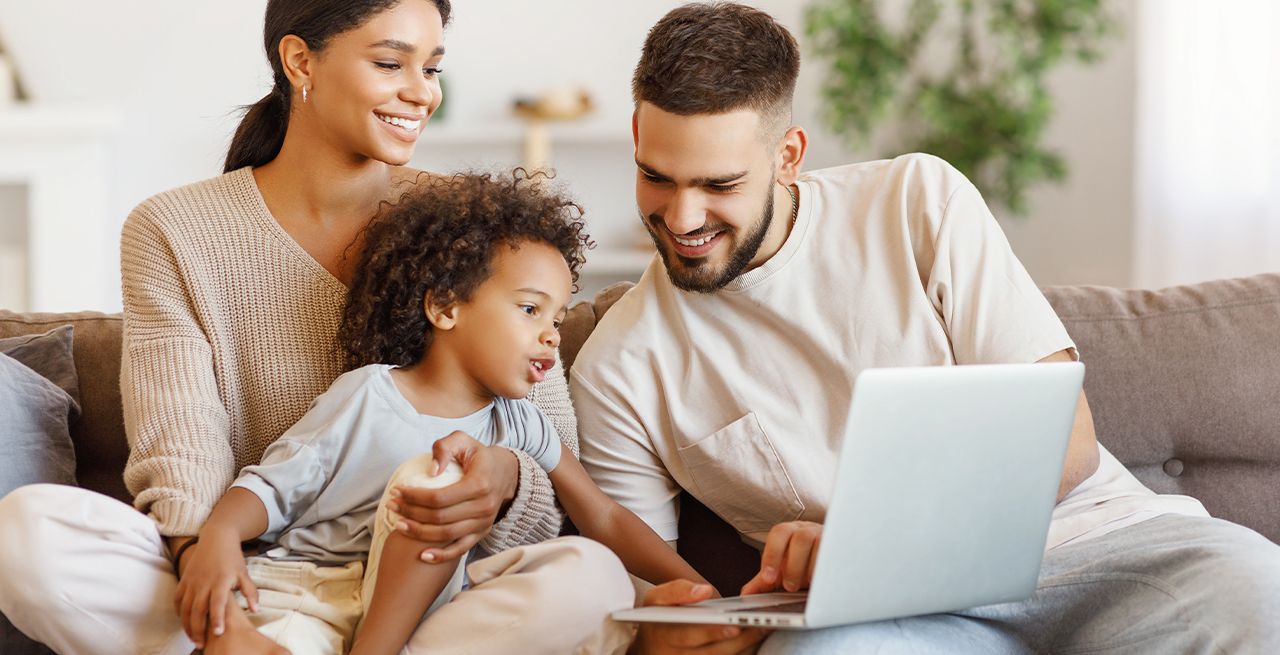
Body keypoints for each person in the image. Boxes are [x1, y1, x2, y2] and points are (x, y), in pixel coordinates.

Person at [569, 3, 1280, 654]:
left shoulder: (914, 200)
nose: (683, 218)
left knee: (1257, 583)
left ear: (788, 156)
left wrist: (860, 541)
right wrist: (665, 624)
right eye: (657, 177)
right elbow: (650, 589)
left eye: (719, 185)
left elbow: (1068, 444)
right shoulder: (616, 367)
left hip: (1097, 545)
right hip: (890, 619)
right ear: (637, 136)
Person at [0, 1, 633, 653]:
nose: (422, 92)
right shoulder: (172, 229)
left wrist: (503, 478)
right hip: (257, 582)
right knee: (25, 529)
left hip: (438, 599)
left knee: (595, 582)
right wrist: (217, 597)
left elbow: (553, 451)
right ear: (300, 60)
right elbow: (182, 444)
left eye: (433, 66)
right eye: (391, 62)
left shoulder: (475, 225)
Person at [175, 173, 704, 654]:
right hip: (309, 594)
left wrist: (704, 593)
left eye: (558, 317)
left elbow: (603, 515)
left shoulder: (521, 422)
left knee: (594, 575)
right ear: (445, 307)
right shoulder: (369, 395)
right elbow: (271, 488)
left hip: (429, 616)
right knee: (441, 473)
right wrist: (218, 538)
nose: (551, 334)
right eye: (529, 309)